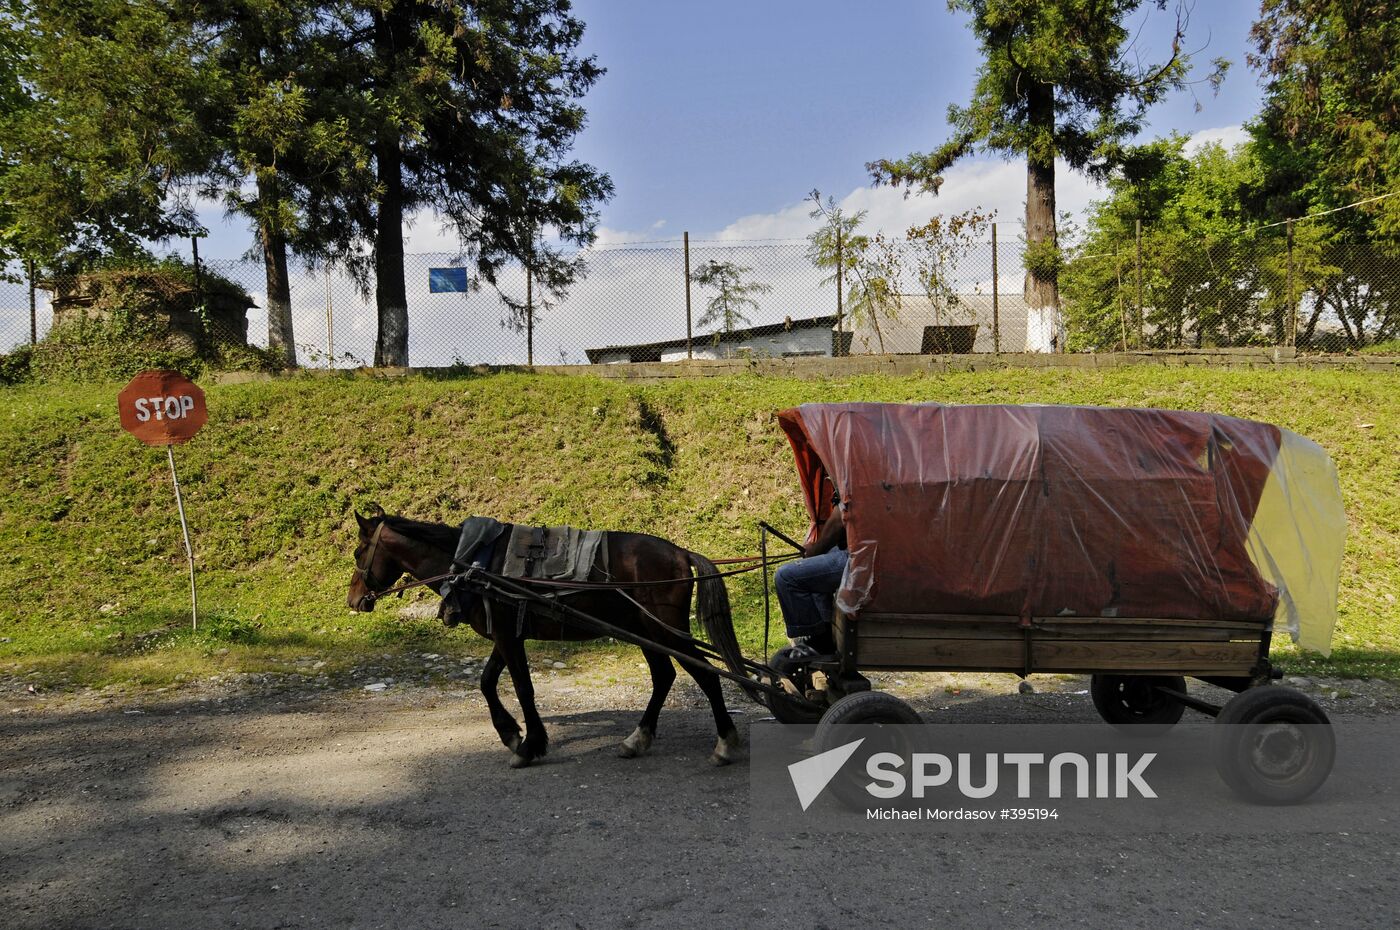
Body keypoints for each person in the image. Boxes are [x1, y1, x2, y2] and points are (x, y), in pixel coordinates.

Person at [774, 485, 847, 658]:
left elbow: (838, 521)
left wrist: (815, 550)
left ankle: (818, 643)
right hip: (861, 552)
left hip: (857, 558)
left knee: (786, 577)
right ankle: (825, 630)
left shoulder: (856, 480)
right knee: (812, 570)